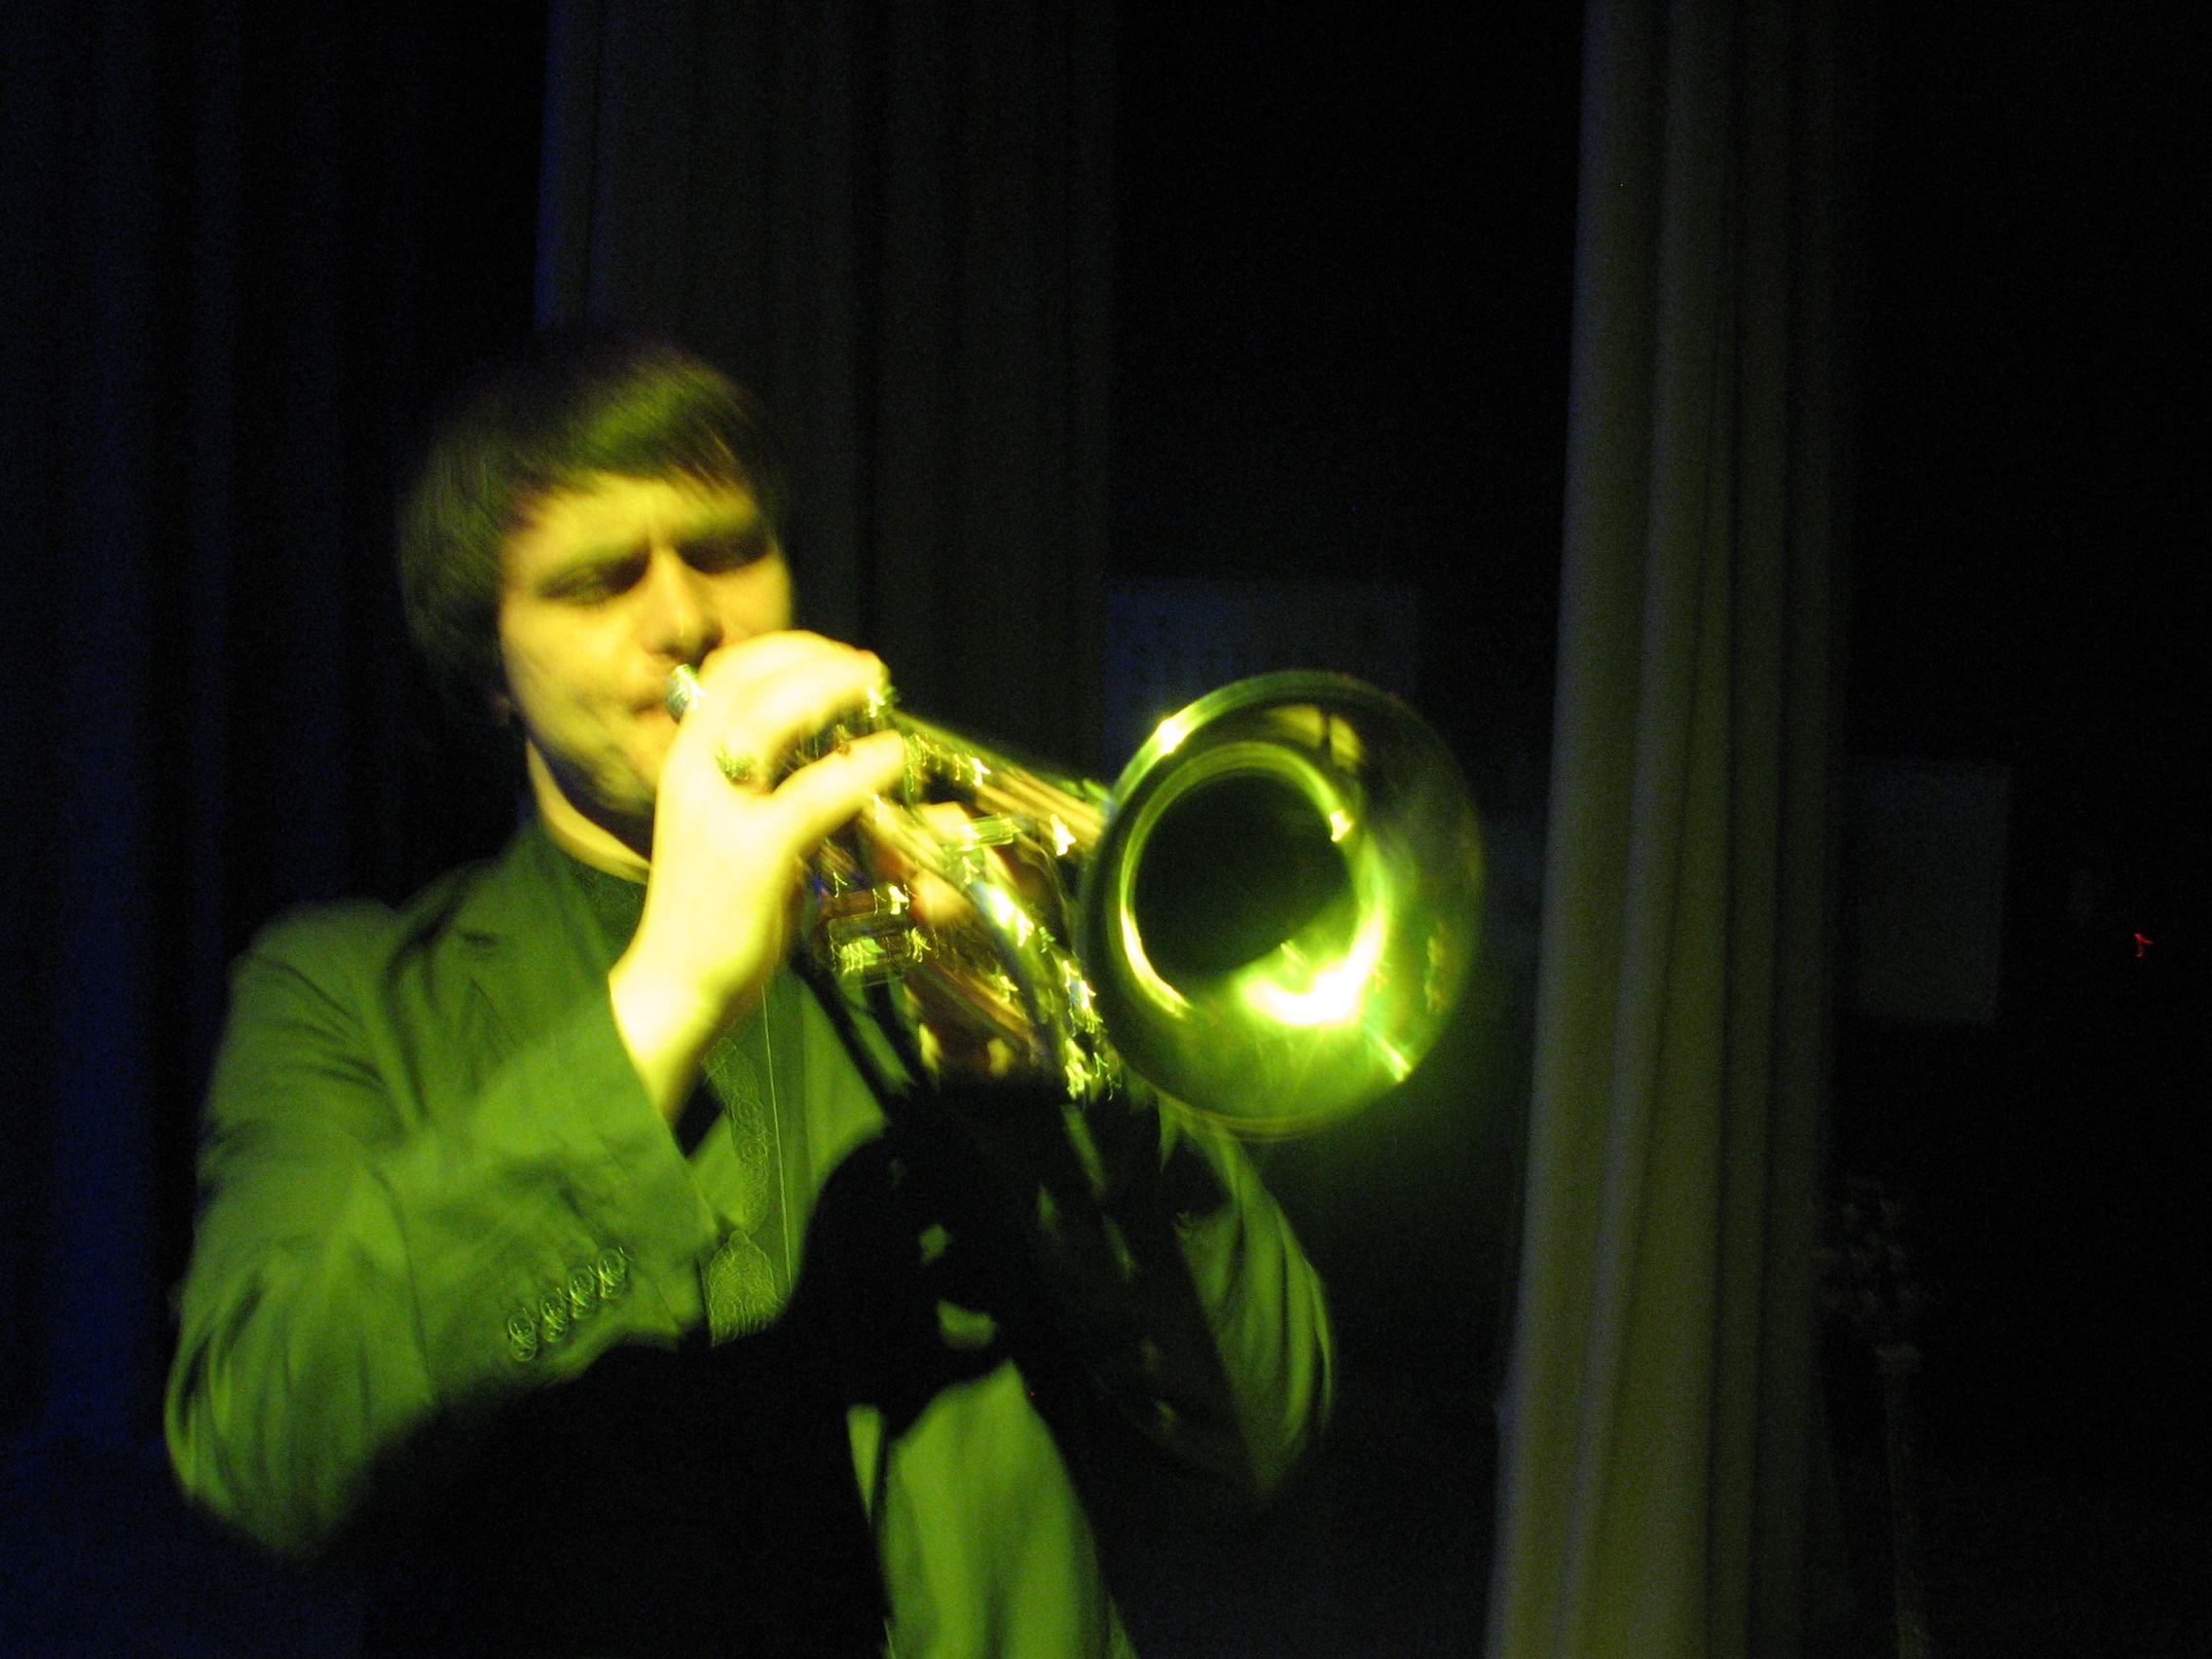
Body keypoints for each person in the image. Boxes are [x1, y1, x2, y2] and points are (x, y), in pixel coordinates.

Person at [165, 330, 1332, 1658]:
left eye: (725, 551)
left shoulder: (950, 948)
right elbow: (268, 1462)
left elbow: (1256, 1435)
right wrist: (662, 1002)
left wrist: (1043, 1086)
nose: (683, 619)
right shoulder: (346, 995)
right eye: (598, 581)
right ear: (491, 668)